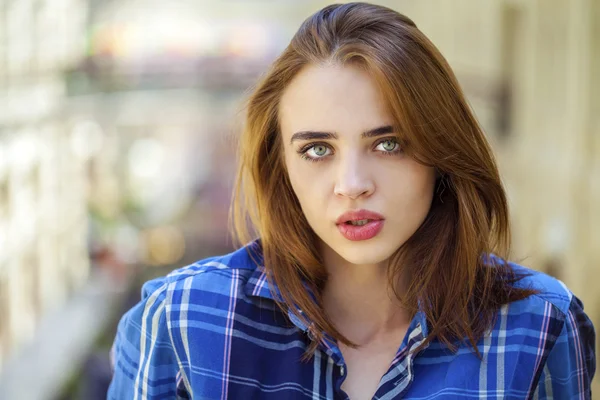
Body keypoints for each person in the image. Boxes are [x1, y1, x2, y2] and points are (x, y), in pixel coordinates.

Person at [107, 3, 596, 399]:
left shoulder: (539, 327)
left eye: (390, 144)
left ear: (440, 151)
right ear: (282, 167)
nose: (352, 184)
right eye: (317, 150)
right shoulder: (184, 321)